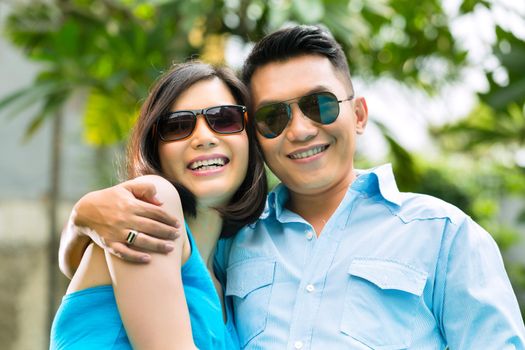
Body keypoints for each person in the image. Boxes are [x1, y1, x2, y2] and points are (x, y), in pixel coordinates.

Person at [59, 26, 525, 349]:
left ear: (358, 114)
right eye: (273, 116)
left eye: (319, 105)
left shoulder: (445, 235)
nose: (300, 130)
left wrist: (83, 218)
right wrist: (84, 218)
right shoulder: (232, 239)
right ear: (257, 135)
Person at [50, 61, 267, 349]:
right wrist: (80, 217)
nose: (204, 138)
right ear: (155, 148)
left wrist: (80, 220)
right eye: (178, 126)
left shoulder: (229, 276)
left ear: (250, 140)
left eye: (224, 119)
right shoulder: (152, 203)